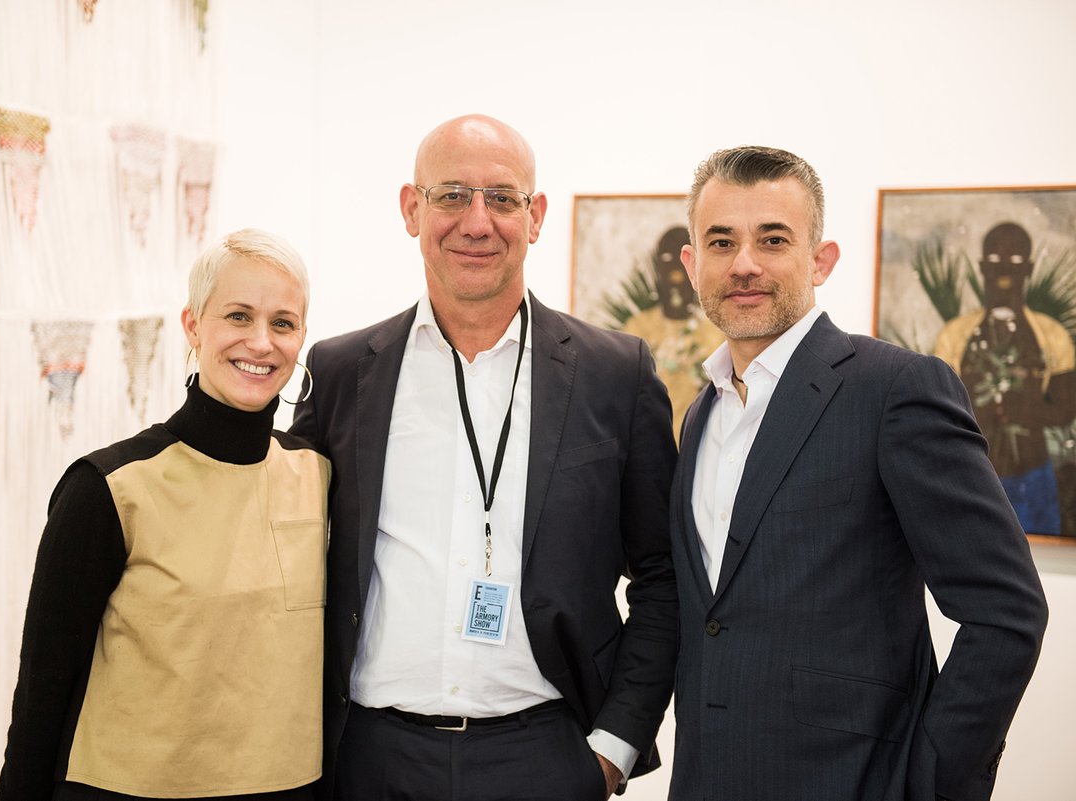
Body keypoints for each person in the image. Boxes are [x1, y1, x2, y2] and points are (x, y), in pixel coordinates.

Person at [289, 114, 678, 801]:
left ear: (536, 217)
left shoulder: (614, 373)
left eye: (502, 197)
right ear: (412, 208)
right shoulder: (342, 369)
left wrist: (612, 749)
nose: (477, 222)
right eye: (451, 196)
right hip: (371, 759)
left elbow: (663, 573)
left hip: (546, 756)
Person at [670, 146, 1048, 801]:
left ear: (821, 259)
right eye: (721, 241)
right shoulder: (700, 412)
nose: (745, 263)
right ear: (691, 262)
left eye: (774, 239)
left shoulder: (895, 388)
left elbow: (1006, 612)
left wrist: (928, 780)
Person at [0, 229, 329, 801]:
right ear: (193, 326)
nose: (260, 342)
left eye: (282, 323)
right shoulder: (108, 488)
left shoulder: (319, 477)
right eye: (237, 316)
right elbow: (42, 691)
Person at [934, 221, 1076, 534]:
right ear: (983, 267)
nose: (1004, 273)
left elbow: (1066, 410)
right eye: (996, 262)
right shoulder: (955, 335)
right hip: (967, 476)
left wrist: (1025, 409)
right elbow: (935, 410)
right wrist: (979, 413)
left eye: (1014, 263)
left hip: (1033, 476)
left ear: (1028, 269)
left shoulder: (1051, 335)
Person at [620, 224, 724, 422]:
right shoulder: (637, 328)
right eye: (667, 261)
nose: (675, 273)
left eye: (680, 262)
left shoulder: (715, 331)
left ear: (693, 266)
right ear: (658, 268)